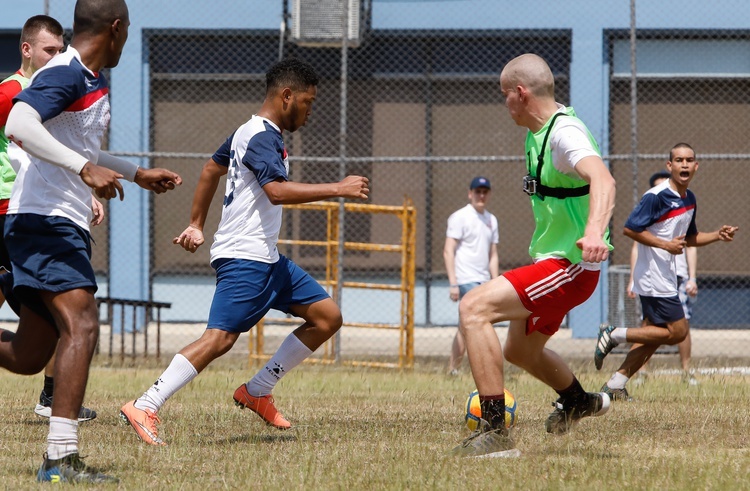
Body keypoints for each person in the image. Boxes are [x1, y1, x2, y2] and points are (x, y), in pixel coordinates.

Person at [119, 57, 370, 446]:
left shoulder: (249, 132)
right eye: (308, 101)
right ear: (287, 96)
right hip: (245, 257)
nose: (310, 110)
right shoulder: (261, 136)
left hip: (267, 257)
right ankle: (146, 403)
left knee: (326, 317)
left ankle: (257, 390)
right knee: (219, 339)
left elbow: (208, 170)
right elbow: (277, 191)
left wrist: (196, 224)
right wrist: (338, 188)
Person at [0, 0, 182, 483]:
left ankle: (59, 457)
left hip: (58, 222)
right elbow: (18, 125)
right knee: (82, 322)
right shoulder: (66, 71)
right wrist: (84, 170)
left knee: (28, 355)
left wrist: (135, 172)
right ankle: (59, 459)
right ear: (117, 29)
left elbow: (83, 146)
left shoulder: (93, 79)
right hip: (43, 220)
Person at [450, 53, 616, 458]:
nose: (504, 103)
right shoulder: (537, 133)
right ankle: (578, 401)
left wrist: (594, 230)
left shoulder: (565, 134)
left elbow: (603, 178)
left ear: (520, 94)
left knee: (474, 308)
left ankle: (495, 432)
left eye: (505, 95)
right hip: (553, 262)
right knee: (519, 351)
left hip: (570, 266)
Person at [0, 14, 101, 423]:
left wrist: (88, 187)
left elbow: (64, 151)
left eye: (61, 50)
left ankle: (51, 396)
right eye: (49, 50)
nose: (57, 56)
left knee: (56, 322)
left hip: (36, 210)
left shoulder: (55, 88)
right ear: (27, 50)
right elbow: (28, 143)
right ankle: (53, 402)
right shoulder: (13, 93)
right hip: (11, 209)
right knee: (70, 315)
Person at [596, 143, 738, 401]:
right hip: (653, 276)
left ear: (696, 166)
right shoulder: (657, 196)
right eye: (679, 160)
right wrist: (665, 244)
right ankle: (614, 334)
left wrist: (718, 235)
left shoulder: (689, 198)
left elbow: (690, 237)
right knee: (679, 332)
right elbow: (630, 228)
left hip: (667, 275)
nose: (684, 164)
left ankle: (616, 384)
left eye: (689, 160)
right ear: (669, 166)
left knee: (653, 336)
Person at [627, 170, 699, 387]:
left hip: (676, 275)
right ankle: (638, 370)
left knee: (680, 326)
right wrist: (633, 279)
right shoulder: (652, 203)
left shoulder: (685, 204)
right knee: (655, 325)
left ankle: (686, 371)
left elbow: (691, 243)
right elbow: (633, 240)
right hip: (654, 277)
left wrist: (692, 278)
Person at [444, 176, 499, 376]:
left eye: (485, 191)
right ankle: (472, 370)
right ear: (470, 194)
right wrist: (453, 283)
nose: (481, 195)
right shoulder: (460, 217)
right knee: (475, 325)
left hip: (484, 281)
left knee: (468, 327)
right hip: (466, 280)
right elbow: (448, 251)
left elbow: (492, 254)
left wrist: (495, 281)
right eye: (477, 191)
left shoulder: (491, 220)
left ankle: (456, 369)